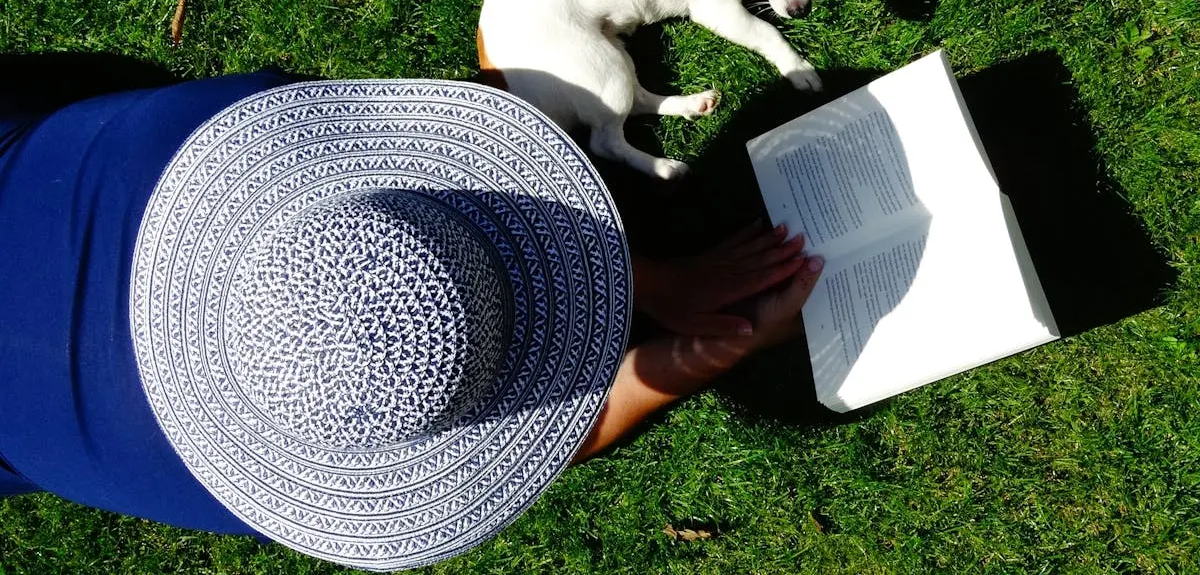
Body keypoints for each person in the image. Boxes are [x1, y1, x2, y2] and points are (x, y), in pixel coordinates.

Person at [0, 68, 822, 570]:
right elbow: (538, 437)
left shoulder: (217, 124)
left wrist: (654, 288)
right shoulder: (226, 125)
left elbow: (521, 436)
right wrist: (704, 349)